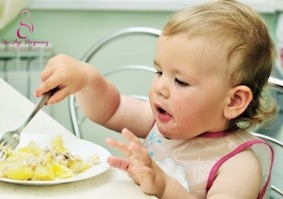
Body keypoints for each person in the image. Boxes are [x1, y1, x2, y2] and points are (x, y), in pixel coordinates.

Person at [35, 0, 278, 198]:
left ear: (234, 101)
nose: (160, 87)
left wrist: (165, 187)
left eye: (180, 81)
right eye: (159, 72)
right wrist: (87, 78)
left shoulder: (238, 166)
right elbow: (111, 109)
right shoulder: (159, 125)